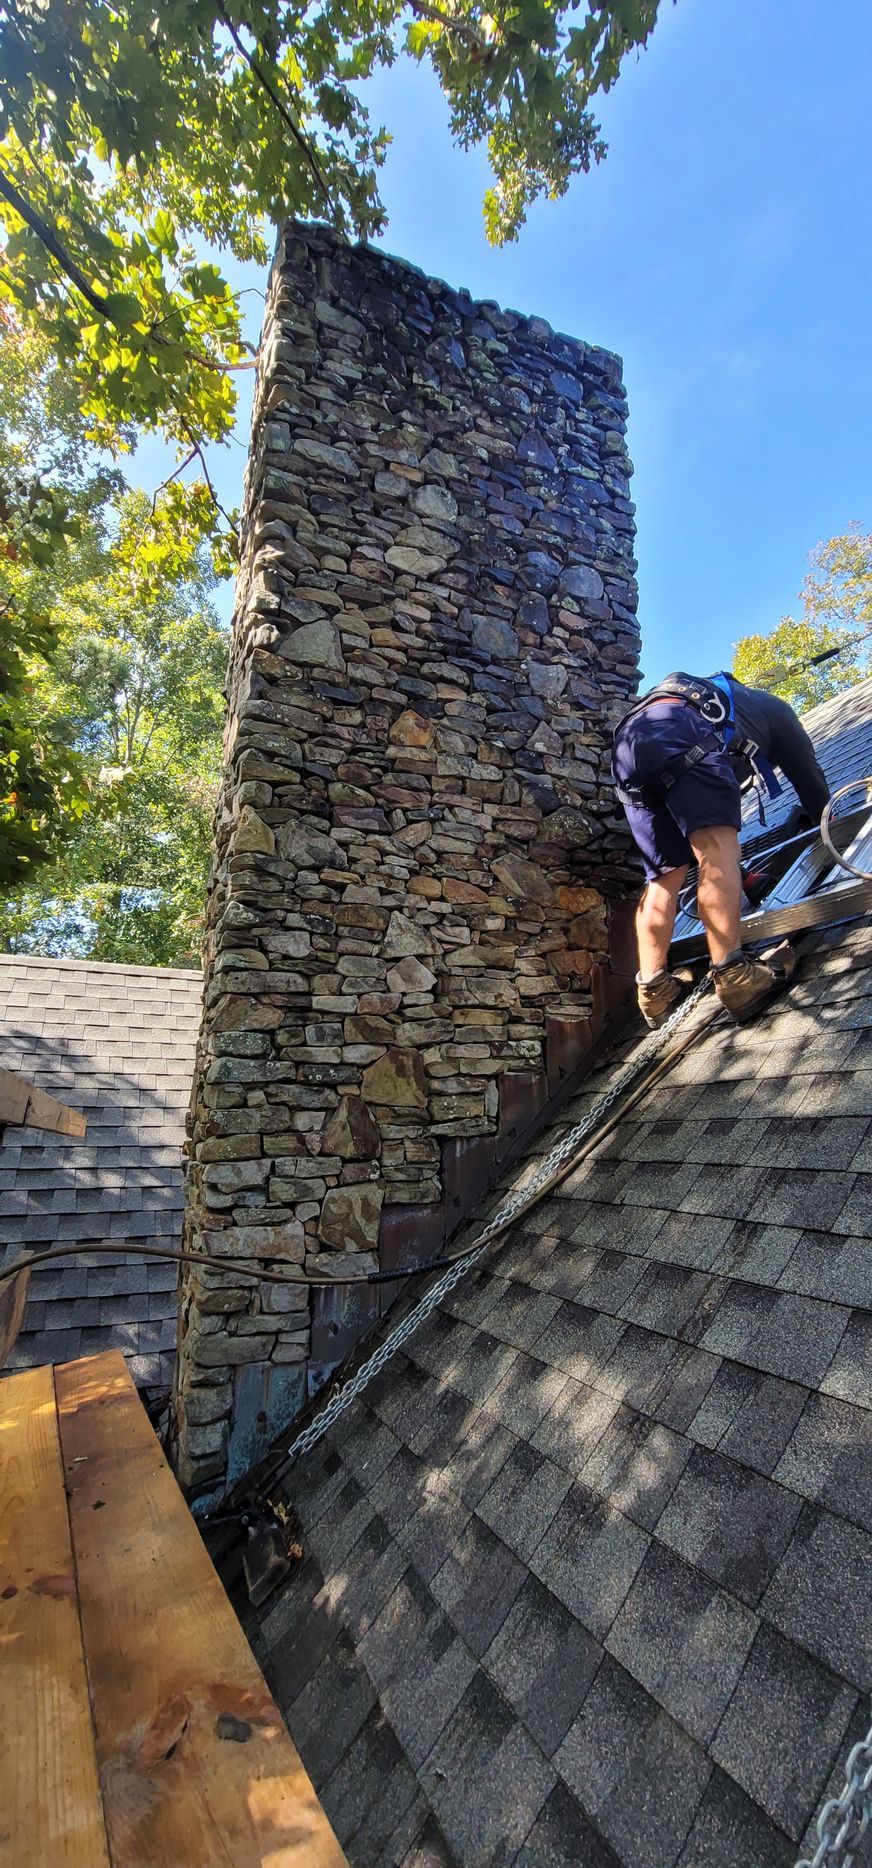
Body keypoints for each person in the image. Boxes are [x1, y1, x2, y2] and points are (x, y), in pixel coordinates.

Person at [612, 670, 831, 1027]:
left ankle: (654, 992)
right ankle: (736, 977)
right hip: (678, 729)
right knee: (717, 849)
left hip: (629, 743)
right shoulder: (775, 710)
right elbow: (809, 777)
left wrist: (741, 877)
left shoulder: (730, 710)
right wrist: (829, 822)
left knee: (663, 878)